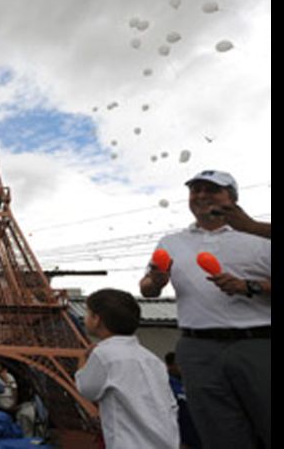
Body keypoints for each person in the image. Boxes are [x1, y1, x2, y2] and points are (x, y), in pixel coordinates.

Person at [140, 170, 271, 448]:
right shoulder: (171, 243)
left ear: (232, 198)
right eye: (195, 190)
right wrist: (156, 281)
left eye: (211, 190)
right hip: (197, 349)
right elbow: (147, 288)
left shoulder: (260, 236)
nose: (201, 195)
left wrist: (250, 287)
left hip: (258, 344)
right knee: (219, 433)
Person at [74, 289, 179, 449]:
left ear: (96, 319)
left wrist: (82, 360)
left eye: (88, 313)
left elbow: (86, 389)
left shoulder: (103, 354)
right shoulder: (151, 359)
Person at [165, 352, 202, 449]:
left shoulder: (189, 382)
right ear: (170, 366)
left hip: (197, 434)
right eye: (179, 365)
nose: (182, 368)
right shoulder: (167, 385)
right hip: (182, 436)